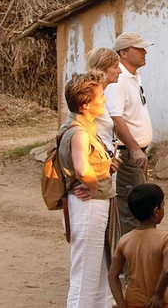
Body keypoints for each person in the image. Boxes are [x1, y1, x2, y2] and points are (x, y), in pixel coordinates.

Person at [61, 72, 119, 308]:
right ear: (86, 105)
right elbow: (83, 170)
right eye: (101, 96)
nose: (104, 101)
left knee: (96, 268)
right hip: (88, 206)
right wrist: (94, 184)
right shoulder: (81, 132)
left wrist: (107, 165)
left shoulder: (78, 125)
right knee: (85, 271)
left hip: (91, 206)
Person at [107, 32, 155, 236]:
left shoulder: (133, 78)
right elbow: (116, 119)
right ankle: (128, 264)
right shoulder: (119, 81)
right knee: (130, 209)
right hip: (127, 154)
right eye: (139, 48)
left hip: (136, 153)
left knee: (136, 206)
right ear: (124, 53)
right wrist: (135, 149)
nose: (144, 52)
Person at [108, 183, 168, 308]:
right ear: (156, 211)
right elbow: (167, 271)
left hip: (132, 300)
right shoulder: (166, 239)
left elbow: (112, 276)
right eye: (163, 205)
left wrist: (121, 304)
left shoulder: (124, 240)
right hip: (156, 303)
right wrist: (158, 295)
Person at [86, 47, 123, 156]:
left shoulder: (100, 93)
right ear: (102, 69)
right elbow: (81, 130)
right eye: (115, 66)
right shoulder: (91, 97)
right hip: (95, 164)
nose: (120, 71)